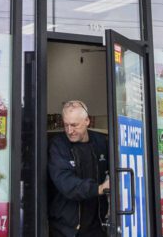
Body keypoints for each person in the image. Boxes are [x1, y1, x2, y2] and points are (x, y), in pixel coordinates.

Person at [48, 100, 110, 237]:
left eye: (74, 125)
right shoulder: (58, 145)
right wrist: (99, 188)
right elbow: (66, 182)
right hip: (67, 229)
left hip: (98, 226)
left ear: (87, 121)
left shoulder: (101, 142)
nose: (70, 131)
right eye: (66, 125)